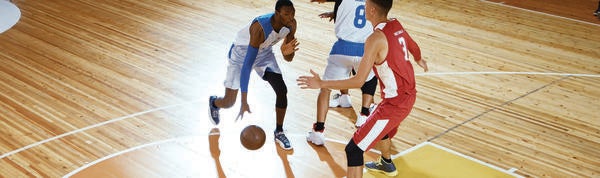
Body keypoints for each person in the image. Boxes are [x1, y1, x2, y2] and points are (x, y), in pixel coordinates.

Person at [298, 0, 428, 177]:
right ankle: (387, 163)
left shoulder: (375, 39)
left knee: (353, 149)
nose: (363, 6)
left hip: (396, 104)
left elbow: (358, 81)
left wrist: (322, 83)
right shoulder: (395, 24)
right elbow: (413, 46)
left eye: (366, 4)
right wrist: (419, 59)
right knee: (380, 128)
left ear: (372, 10)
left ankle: (386, 162)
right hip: (407, 96)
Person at [209, 0, 299, 150]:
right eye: (286, 14)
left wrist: (286, 53)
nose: (290, 17)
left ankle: (279, 131)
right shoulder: (259, 28)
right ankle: (214, 103)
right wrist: (244, 101)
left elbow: (289, 58)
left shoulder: (291, 25)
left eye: (292, 13)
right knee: (229, 102)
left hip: (264, 53)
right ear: (277, 14)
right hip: (241, 56)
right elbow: (247, 66)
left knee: (281, 89)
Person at [306, 0, 380, 146]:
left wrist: (337, 13)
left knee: (325, 88)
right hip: (365, 49)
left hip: (342, 49)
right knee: (370, 78)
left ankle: (318, 131)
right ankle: (364, 114)